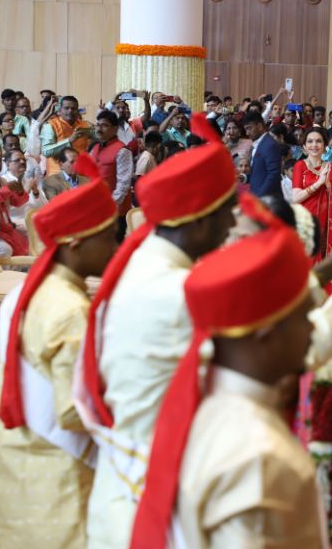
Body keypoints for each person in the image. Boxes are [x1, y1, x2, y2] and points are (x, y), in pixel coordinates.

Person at [78, 121, 238, 549]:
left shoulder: (147, 260)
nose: (234, 222)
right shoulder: (176, 290)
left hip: (125, 478)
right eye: (229, 210)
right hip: (152, 492)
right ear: (200, 218)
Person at [129, 207, 327, 548]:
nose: (313, 329)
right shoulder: (260, 455)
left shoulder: (204, 402)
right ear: (267, 333)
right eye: (305, 317)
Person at [0, 170, 118, 549]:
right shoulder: (69, 308)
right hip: (61, 467)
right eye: (108, 237)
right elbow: (76, 411)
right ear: (75, 243)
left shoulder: (29, 292)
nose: (116, 247)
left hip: (19, 455)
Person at [292, 128, 332, 260]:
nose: (314, 145)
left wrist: (328, 184)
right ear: (304, 146)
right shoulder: (300, 166)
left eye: (318, 141)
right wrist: (319, 183)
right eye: (310, 141)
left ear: (324, 146)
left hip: (327, 225)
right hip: (306, 222)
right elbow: (295, 198)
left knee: (324, 259)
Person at [90, 111, 133, 240]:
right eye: (98, 125)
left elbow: (123, 183)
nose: (99, 129)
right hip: (96, 208)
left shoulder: (122, 151)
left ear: (115, 129)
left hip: (115, 210)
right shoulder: (95, 148)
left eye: (104, 125)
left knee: (114, 246)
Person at [40, 96, 93, 175]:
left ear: (77, 111)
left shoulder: (85, 125)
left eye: (73, 108)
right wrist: (69, 141)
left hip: (80, 175)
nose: (70, 111)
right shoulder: (51, 125)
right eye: (66, 108)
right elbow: (46, 152)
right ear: (60, 110)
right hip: (57, 175)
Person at [244, 111, 284, 198]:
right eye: (246, 129)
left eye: (249, 128)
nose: (247, 133)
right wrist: (244, 177)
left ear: (259, 126)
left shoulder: (270, 145)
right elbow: (259, 173)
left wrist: (259, 197)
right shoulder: (259, 144)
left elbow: (274, 175)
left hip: (268, 199)